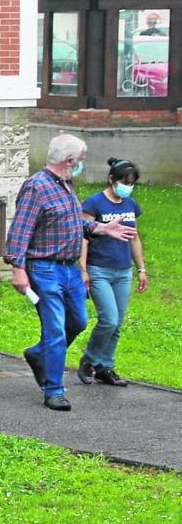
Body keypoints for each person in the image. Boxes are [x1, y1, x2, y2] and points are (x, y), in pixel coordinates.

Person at [4, 134, 137, 411]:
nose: (82, 164)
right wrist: (18, 269)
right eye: (81, 159)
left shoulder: (66, 185)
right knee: (54, 330)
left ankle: (38, 354)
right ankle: (53, 390)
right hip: (44, 269)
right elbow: (20, 229)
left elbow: (74, 222)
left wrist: (102, 229)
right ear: (70, 160)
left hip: (70, 269)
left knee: (77, 322)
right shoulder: (36, 187)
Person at [77, 158, 150, 388]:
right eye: (124, 182)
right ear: (111, 179)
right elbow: (83, 237)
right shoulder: (94, 203)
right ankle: (88, 361)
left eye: (132, 183)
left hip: (123, 271)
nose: (128, 187)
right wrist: (83, 269)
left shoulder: (130, 205)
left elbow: (134, 237)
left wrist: (141, 269)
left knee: (117, 324)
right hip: (100, 270)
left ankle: (105, 367)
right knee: (108, 319)